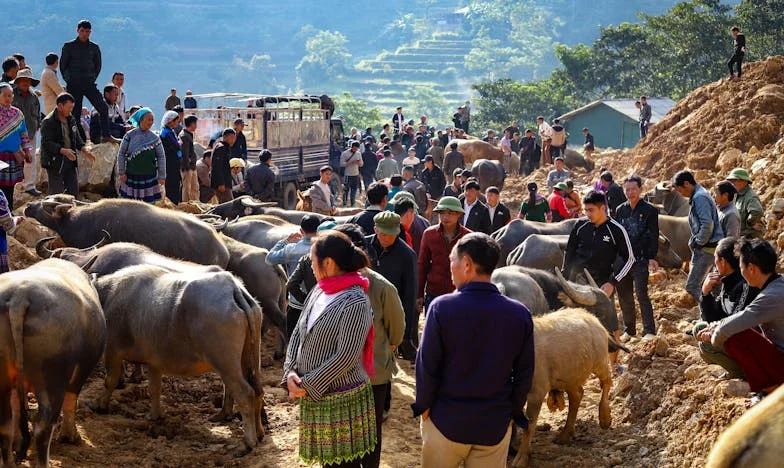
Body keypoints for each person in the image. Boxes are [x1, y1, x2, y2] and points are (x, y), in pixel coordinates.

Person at [413, 233, 534, 467]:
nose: (451, 269)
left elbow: (427, 365)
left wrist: (423, 406)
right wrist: (513, 412)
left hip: (445, 421)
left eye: (452, 261)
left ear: (466, 264)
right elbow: (525, 373)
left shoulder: (441, 308)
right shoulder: (519, 314)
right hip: (493, 427)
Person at [282, 231, 377, 467]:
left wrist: (307, 384)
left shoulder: (355, 300)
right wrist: (290, 371)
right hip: (316, 395)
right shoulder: (319, 290)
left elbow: (346, 355)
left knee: (343, 463)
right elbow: (298, 331)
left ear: (328, 263)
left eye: (313, 262)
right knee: (327, 462)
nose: (311, 267)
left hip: (341, 400)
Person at [697, 238, 784, 405]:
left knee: (734, 336)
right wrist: (717, 326)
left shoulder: (770, 297)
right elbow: (741, 317)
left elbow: (738, 322)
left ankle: (768, 389)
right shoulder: (777, 285)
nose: (741, 271)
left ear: (751, 269)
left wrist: (715, 335)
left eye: (742, 266)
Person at [563, 190, 635, 339]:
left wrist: (612, 282)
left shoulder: (616, 230)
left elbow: (629, 259)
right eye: (585, 210)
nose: (587, 214)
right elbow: (569, 253)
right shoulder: (580, 226)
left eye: (591, 210)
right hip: (578, 284)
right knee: (577, 326)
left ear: (603, 208)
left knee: (610, 326)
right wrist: (565, 279)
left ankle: (613, 363)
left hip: (602, 286)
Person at [692, 237, 758, 378]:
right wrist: (705, 293)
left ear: (723, 261)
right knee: (699, 328)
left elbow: (737, 321)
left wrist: (715, 329)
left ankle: (744, 373)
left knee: (707, 344)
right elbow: (712, 318)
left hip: (754, 344)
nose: (714, 262)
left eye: (715, 257)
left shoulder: (744, 284)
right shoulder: (728, 280)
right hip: (740, 338)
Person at [367, 211, 418, 363]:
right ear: (375, 229)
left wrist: (404, 332)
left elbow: (410, 294)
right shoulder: (364, 246)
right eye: (383, 234)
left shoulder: (407, 255)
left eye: (391, 234)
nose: (387, 238)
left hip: (391, 314)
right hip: (365, 312)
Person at [615, 175, 659, 341]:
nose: (630, 192)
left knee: (642, 294)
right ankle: (630, 330)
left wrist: (652, 257)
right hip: (623, 260)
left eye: (634, 189)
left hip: (640, 259)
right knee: (624, 295)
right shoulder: (620, 210)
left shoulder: (650, 211)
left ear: (640, 189)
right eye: (627, 189)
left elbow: (653, 235)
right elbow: (617, 235)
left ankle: (649, 331)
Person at [672, 170, 724, 302]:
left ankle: (710, 309)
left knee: (692, 286)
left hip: (706, 248)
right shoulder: (700, 194)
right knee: (713, 285)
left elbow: (707, 224)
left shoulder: (699, 197)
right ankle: (718, 312)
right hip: (710, 247)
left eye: (680, 190)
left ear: (687, 184)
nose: (681, 194)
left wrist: (699, 241)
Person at [267, 214, 320, 338]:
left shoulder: (291, 249)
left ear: (301, 231)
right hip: (319, 303)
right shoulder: (324, 249)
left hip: (296, 304)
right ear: (318, 230)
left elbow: (269, 258)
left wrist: (285, 241)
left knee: (293, 342)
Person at [60, 20, 113, 143]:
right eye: (82, 31)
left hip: (89, 83)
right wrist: (69, 80)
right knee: (75, 113)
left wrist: (91, 78)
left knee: (103, 107)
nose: (85, 34)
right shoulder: (69, 46)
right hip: (74, 84)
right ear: (77, 30)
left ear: (90, 32)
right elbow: (63, 66)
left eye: (87, 31)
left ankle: (106, 135)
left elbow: (98, 66)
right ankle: (78, 139)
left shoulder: (94, 48)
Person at [418, 196, 472, 314]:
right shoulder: (429, 234)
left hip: (461, 294)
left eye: (450, 213)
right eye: (441, 213)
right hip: (434, 293)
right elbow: (422, 265)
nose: (445, 217)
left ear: (459, 214)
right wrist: (419, 294)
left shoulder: (468, 237)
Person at [40, 92, 95, 196]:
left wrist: (84, 149)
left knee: (73, 190)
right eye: (69, 107)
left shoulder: (71, 119)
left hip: (70, 159)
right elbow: (47, 143)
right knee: (57, 193)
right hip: (54, 161)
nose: (71, 110)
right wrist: (63, 150)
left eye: (72, 107)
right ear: (60, 106)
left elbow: (76, 138)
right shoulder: (48, 121)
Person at [116, 108, 166, 203]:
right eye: (148, 119)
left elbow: (161, 157)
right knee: (130, 205)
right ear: (141, 120)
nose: (151, 122)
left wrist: (162, 176)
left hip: (149, 177)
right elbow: (121, 153)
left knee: (148, 207)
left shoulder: (155, 138)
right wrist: (121, 172)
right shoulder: (129, 135)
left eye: (152, 120)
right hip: (131, 176)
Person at [0, 82, 33, 208]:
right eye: (5, 95)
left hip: (14, 156)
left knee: (9, 187)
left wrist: (28, 151)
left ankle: (9, 212)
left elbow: (23, 134)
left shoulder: (17, 114)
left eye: (10, 95)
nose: (8, 98)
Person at [12, 68, 43, 196]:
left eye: (27, 80)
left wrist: (38, 125)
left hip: (30, 131)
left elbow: (37, 113)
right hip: (13, 133)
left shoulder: (34, 97)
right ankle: (13, 185)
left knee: (30, 159)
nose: (25, 83)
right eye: (23, 80)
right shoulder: (11, 95)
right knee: (13, 158)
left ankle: (29, 185)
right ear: (18, 82)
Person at [726, 168, 765, 238]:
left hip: (750, 238)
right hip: (740, 236)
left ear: (744, 181)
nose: (732, 183)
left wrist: (750, 223)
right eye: (731, 181)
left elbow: (757, 211)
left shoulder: (750, 197)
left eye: (734, 180)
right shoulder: (737, 195)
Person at [159, 111, 183, 204]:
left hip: (174, 161)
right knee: (172, 184)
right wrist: (179, 144)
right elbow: (176, 145)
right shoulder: (166, 132)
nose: (177, 123)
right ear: (171, 121)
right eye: (176, 121)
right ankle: (172, 202)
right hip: (170, 162)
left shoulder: (171, 131)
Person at [210, 128, 236, 203]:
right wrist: (221, 183)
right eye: (232, 138)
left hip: (225, 182)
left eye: (234, 138)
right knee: (228, 204)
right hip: (222, 184)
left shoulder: (225, 148)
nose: (233, 140)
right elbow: (218, 167)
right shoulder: (221, 148)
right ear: (225, 137)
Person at [179, 115, 199, 202]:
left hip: (192, 166)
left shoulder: (188, 135)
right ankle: (186, 205)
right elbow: (185, 153)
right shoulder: (184, 136)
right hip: (188, 167)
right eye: (195, 123)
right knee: (187, 188)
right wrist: (187, 166)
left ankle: (195, 204)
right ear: (192, 124)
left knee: (194, 188)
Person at [340, 141, 363, 207]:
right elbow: (342, 164)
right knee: (346, 190)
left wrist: (358, 163)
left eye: (356, 149)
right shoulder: (345, 153)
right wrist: (351, 162)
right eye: (354, 148)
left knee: (354, 190)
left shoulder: (358, 153)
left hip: (356, 174)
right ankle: (344, 203)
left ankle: (353, 204)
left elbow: (361, 164)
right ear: (351, 147)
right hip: (347, 174)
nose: (355, 150)